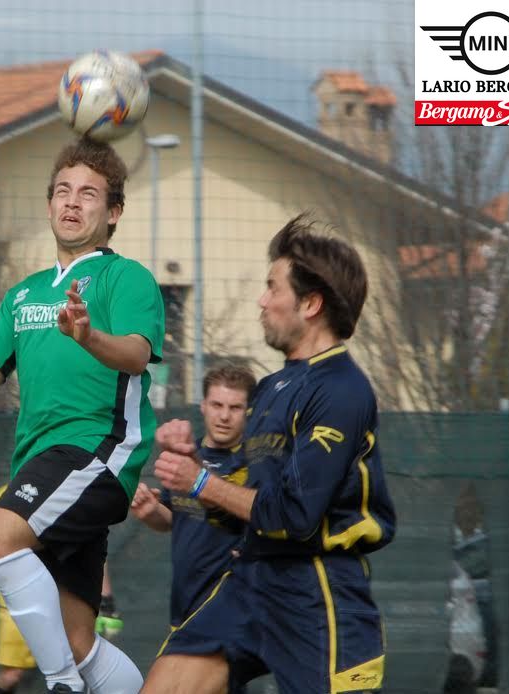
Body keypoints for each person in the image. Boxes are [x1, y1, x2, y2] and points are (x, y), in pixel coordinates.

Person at [0, 137, 164, 694]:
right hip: (43, 464)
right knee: (79, 639)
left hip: (97, 451)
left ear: (113, 212)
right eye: (63, 190)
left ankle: (61, 685)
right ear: (49, 203)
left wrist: (89, 336)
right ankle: (80, 675)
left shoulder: (126, 278)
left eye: (88, 194)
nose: (72, 202)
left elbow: (137, 354)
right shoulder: (22, 295)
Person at [141, 215, 397, 694]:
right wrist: (193, 466)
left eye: (272, 287)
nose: (262, 300)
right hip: (251, 580)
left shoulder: (340, 390)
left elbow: (295, 515)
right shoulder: (273, 388)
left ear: (310, 304)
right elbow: (246, 504)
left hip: (316, 592)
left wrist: (200, 481)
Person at [0, 485, 126, 694]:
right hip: (20, 598)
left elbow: (93, 553)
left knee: (82, 667)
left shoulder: (76, 491)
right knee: (12, 674)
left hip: (68, 599)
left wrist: (106, 602)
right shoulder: (7, 493)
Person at [130, 364, 256, 633]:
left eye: (235, 408)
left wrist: (206, 483)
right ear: (203, 406)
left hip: (236, 609)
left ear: (249, 411)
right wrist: (151, 511)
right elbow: (172, 519)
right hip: (185, 604)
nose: (224, 416)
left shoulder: (256, 462)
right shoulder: (185, 454)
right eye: (217, 405)